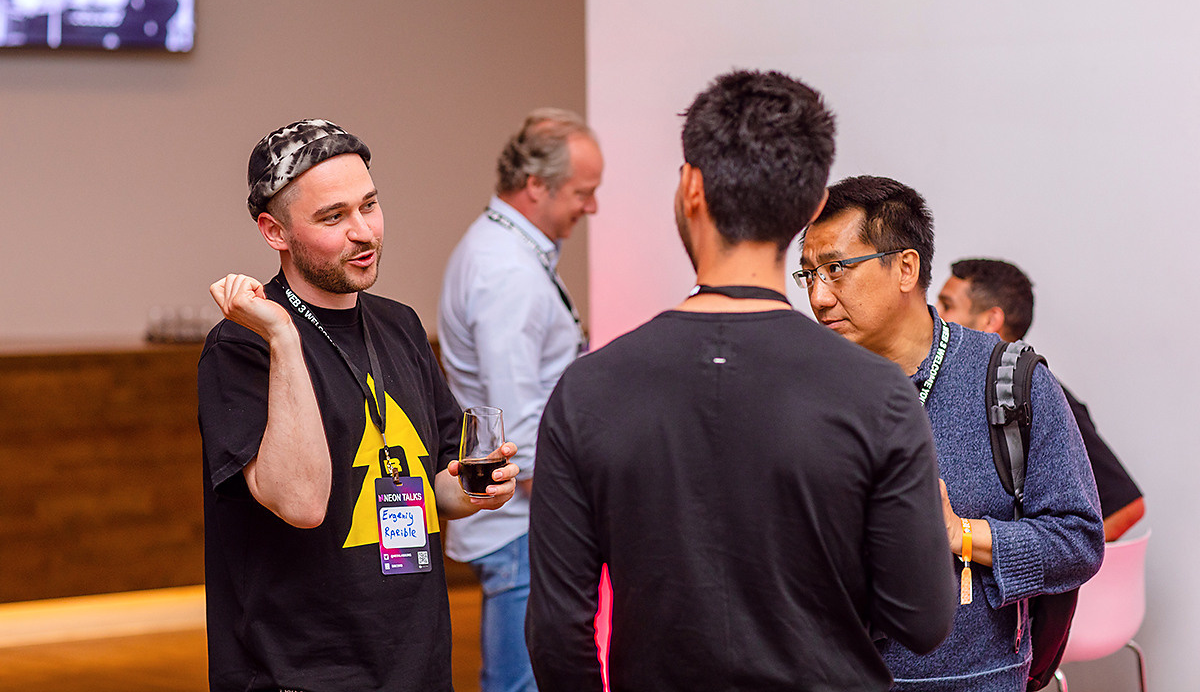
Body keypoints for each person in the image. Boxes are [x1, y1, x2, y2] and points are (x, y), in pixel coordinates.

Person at [527, 71, 957, 691]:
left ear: (691, 188)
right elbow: (921, 619)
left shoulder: (589, 390)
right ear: (812, 207)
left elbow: (557, 633)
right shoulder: (876, 393)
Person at [198, 119, 520, 692]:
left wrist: (477, 489)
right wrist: (284, 337)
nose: (364, 231)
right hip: (302, 674)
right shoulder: (244, 345)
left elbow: (433, 488)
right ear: (275, 232)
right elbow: (300, 502)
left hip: (415, 665)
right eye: (333, 217)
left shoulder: (399, 324)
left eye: (369, 205)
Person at [799, 176, 1104, 691]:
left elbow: (1079, 540)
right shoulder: (805, 386)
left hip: (976, 680)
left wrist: (960, 534)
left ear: (905, 267)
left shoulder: (1009, 380)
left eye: (835, 269)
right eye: (807, 274)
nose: (818, 296)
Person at [438, 108, 602, 692]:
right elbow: (518, 431)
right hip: (521, 526)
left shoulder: (505, 252)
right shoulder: (505, 270)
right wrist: (581, 516)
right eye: (584, 193)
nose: (592, 207)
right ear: (537, 185)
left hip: (520, 524)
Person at [936, 258, 1145, 541]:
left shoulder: (1038, 395)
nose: (935, 315)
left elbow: (1127, 505)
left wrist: (1063, 568)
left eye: (947, 306)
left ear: (990, 321)